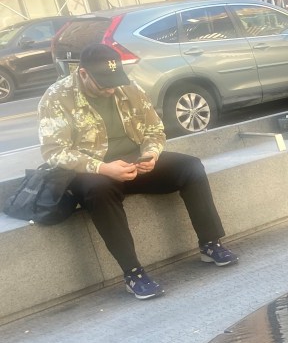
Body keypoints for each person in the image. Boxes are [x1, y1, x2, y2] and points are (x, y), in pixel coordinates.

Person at [38, 44, 237, 300]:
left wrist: (151, 155)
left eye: (114, 81)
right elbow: (54, 151)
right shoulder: (57, 97)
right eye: (104, 83)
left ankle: (210, 243)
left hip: (134, 162)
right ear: (83, 73)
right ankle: (133, 273)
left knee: (191, 167)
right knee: (99, 191)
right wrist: (102, 168)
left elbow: (155, 130)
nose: (111, 89)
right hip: (92, 170)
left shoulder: (127, 86)